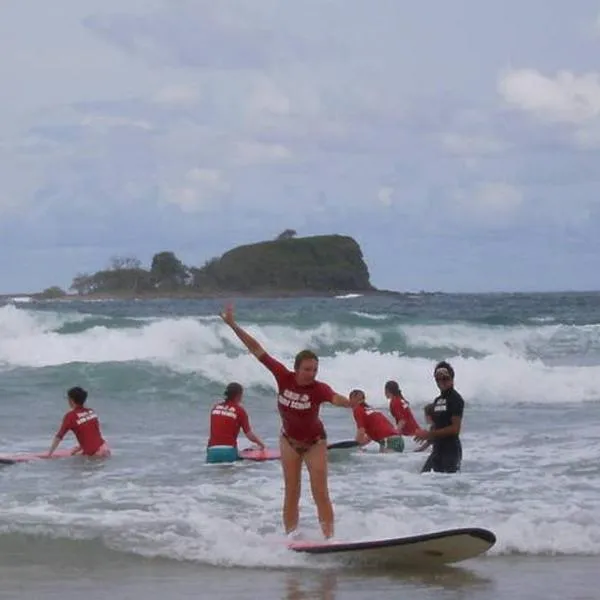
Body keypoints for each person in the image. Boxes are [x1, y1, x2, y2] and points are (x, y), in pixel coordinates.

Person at [219, 304, 358, 540]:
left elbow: (335, 398)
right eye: (306, 369)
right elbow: (256, 350)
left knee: (320, 493)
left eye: (314, 369)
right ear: (296, 369)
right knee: (292, 492)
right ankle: (291, 539)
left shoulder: (319, 388)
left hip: (315, 442)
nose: (311, 373)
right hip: (289, 441)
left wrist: (349, 403)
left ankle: (329, 539)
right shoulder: (283, 376)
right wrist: (233, 325)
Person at [414, 361, 464, 473]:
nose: (441, 382)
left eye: (445, 378)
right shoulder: (437, 401)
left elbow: (455, 429)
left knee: (446, 486)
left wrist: (429, 434)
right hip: (437, 450)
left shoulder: (456, 399)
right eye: (438, 379)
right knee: (424, 480)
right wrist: (425, 439)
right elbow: (437, 426)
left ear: (452, 378)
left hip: (451, 451)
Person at [206, 382, 265, 463]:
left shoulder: (215, 408)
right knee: (246, 466)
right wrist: (261, 444)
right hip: (228, 452)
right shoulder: (239, 410)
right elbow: (249, 434)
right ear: (238, 396)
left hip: (211, 452)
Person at [46, 386, 110, 458]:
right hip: (104, 448)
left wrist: (49, 454)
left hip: (95, 455)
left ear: (71, 400)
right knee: (76, 454)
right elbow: (91, 434)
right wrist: (81, 447)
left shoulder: (70, 416)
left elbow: (59, 436)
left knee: (72, 466)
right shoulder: (91, 412)